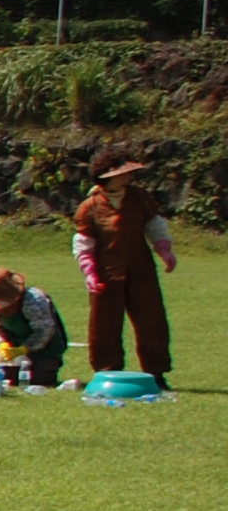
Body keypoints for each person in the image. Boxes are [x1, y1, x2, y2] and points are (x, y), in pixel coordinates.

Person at [72, 147, 177, 381]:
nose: (126, 177)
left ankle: (156, 372)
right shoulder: (90, 207)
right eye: (122, 173)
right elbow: (84, 242)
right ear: (107, 176)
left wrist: (164, 249)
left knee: (152, 320)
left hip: (141, 271)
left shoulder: (139, 198)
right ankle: (108, 372)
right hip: (106, 274)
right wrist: (89, 271)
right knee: (104, 325)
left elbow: (154, 224)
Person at [0, 264, 69, 388]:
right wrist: (3, 344)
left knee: (39, 378)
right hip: (14, 347)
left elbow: (44, 331)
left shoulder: (33, 301)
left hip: (45, 348)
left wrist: (24, 349)